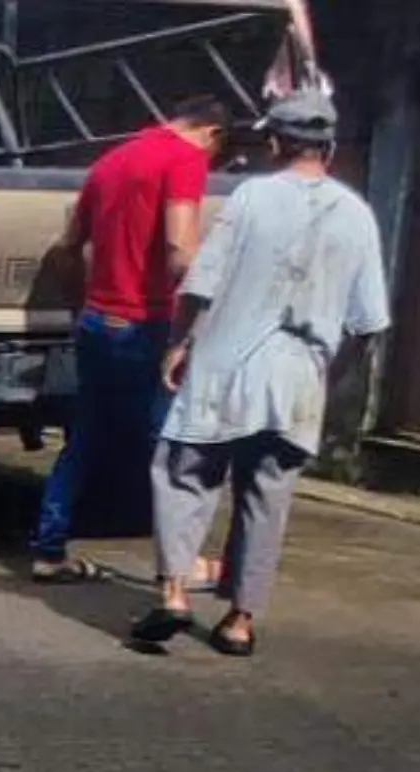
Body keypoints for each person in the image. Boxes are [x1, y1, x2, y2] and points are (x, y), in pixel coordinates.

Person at [132, 90, 390, 656]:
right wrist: (330, 374)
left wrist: (179, 345)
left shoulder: (251, 197)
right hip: (297, 381)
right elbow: (369, 323)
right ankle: (240, 622)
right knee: (265, 497)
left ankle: (173, 593)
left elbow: (201, 281)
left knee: (184, 474)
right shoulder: (358, 215)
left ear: (275, 141)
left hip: (225, 368)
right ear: (328, 145)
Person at [32, 96, 231, 585]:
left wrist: (83, 305)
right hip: (148, 324)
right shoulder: (185, 159)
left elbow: (65, 249)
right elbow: (180, 250)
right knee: (171, 445)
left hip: (99, 322)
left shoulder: (111, 161)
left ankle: (48, 549)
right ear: (212, 133)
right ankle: (181, 566)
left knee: (85, 437)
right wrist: (211, 302)